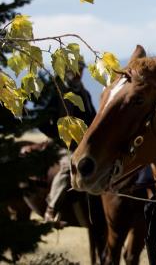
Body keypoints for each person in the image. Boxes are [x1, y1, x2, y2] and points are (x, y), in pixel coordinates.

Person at [37, 62, 96, 224]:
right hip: (62, 145)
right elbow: (42, 122)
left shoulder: (85, 94)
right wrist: (58, 137)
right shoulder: (57, 93)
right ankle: (51, 209)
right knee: (68, 167)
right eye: (76, 70)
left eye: (81, 70)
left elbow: (92, 120)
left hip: (84, 145)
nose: (79, 74)